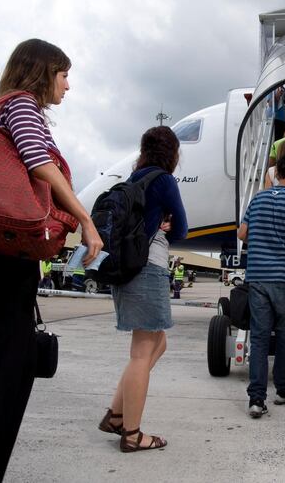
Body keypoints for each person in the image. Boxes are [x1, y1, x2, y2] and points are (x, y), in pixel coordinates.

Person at [0, 39, 103, 482]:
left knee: (2, 370)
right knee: (1, 376)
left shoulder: (12, 109)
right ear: (42, 71)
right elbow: (38, 163)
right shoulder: (22, 106)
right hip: (0, 258)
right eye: (64, 74)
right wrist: (84, 218)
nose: (68, 86)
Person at [99, 125, 188, 452]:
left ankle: (117, 415)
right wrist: (167, 224)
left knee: (157, 343)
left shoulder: (133, 179)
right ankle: (132, 434)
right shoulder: (163, 180)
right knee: (142, 352)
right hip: (147, 266)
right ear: (172, 153)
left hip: (127, 267)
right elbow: (182, 228)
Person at [237, 153, 285, 418]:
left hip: (257, 277)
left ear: (277, 173)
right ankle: (283, 389)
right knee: (284, 337)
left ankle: (256, 400)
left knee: (258, 338)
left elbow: (242, 233)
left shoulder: (257, 199)